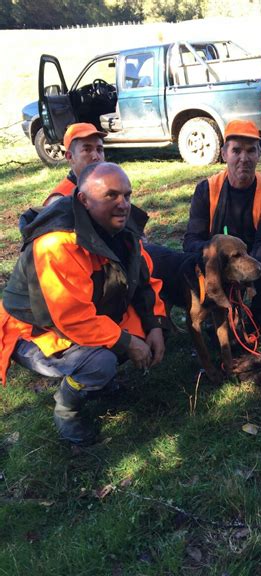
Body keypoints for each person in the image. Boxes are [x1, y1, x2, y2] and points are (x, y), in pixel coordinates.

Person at [0, 163, 167, 446]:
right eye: (111, 196)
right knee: (100, 362)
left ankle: (101, 383)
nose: (123, 204)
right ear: (83, 200)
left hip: (86, 315)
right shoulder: (56, 243)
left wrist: (155, 325)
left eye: (127, 195)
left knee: (146, 332)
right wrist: (126, 342)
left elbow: (144, 280)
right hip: (35, 329)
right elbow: (71, 318)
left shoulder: (122, 228)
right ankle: (67, 409)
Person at [183, 119, 261, 331]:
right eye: (236, 151)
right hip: (216, 264)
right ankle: (214, 311)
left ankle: (258, 314)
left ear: (259, 155)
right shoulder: (206, 190)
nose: (243, 159)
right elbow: (191, 241)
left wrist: (245, 277)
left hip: (252, 261)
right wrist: (219, 263)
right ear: (224, 154)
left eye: (251, 151)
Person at [43, 122, 106, 206]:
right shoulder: (60, 200)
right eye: (87, 150)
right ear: (69, 157)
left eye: (99, 150)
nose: (96, 157)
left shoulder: (110, 184)